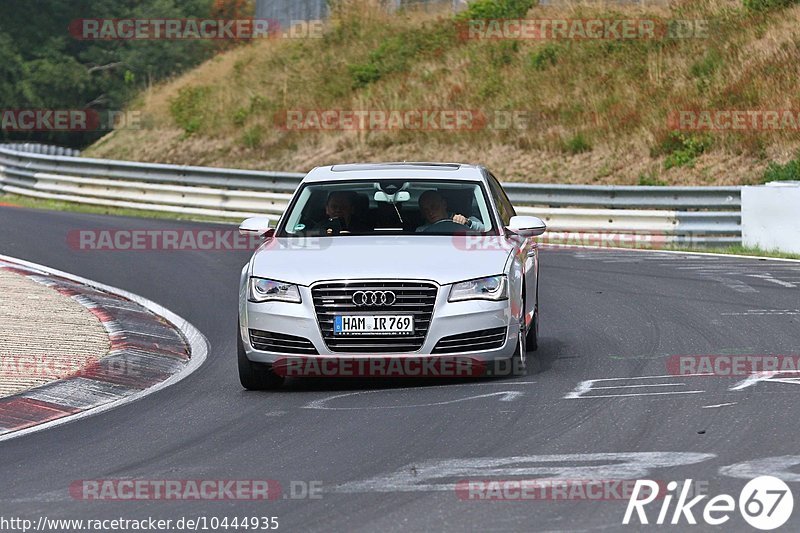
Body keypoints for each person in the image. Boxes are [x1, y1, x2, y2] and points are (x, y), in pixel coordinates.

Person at [415, 190, 485, 232]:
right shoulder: (421, 230)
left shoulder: (468, 220)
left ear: (444, 204)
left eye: (434, 207)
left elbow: (485, 229)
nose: (430, 212)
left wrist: (468, 223)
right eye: (426, 210)